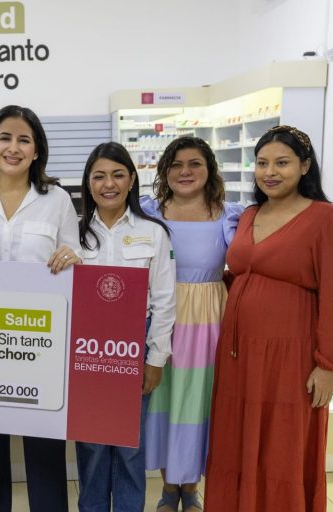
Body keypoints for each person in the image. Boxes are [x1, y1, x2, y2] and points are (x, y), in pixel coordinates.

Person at [204, 125, 333, 512]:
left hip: (291, 356)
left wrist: (329, 364)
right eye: (262, 163)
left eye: (282, 163)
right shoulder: (250, 214)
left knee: (282, 443)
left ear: (305, 166)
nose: (269, 172)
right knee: (236, 439)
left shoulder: (326, 219)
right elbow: (242, 273)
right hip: (238, 355)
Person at [0, 105, 81, 512]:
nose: (13, 147)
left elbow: (75, 258)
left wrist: (74, 259)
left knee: (44, 453)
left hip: (38, 343)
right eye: (5, 138)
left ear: (37, 149)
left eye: (24, 140)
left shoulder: (56, 200)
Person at [139, 136, 243, 512]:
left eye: (195, 164)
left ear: (209, 170)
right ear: (165, 171)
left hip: (209, 321)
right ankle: (170, 488)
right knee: (164, 401)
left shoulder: (229, 215)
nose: (185, 172)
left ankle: (191, 487)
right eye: (177, 164)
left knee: (199, 402)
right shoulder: (149, 211)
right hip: (162, 317)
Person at [73, 142, 176, 512]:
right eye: (99, 176)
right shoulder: (72, 234)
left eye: (117, 175)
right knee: (91, 444)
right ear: (88, 183)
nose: (109, 184)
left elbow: (165, 299)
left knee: (130, 446)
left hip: (135, 342)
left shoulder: (154, 232)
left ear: (132, 180)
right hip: (86, 347)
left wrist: (155, 359)